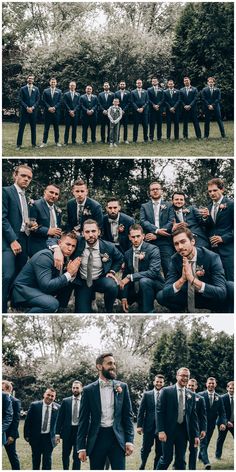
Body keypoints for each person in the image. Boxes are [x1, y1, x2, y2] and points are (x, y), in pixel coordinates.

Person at [77, 352, 134, 470]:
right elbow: (83, 420)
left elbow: (128, 416)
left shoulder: (122, 387)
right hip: (97, 439)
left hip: (117, 439)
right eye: (109, 363)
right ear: (99, 366)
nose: (113, 366)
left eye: (114, 363)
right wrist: (81, 447)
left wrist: (129, 441)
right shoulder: (88, 390)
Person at [157, 227, 229, 313]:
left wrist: (192, 279)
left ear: (192, 241)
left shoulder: (212, 257)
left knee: (231, 287)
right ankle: (179, 310)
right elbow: (166, 292)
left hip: (207, 296)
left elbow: (221, 293)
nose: (180, 247)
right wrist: (182, 279)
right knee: (160, 296)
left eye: (183, 242)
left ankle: (218, 311)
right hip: (186, 296)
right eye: (176, 244)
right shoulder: (175, 259)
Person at [12, 232, 81, 313]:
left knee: (69, 281)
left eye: (73, 246)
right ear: (59, 243)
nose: (70, 249)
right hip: (23, 291)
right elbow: (46, 286)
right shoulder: (45, 257)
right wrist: (69, 274)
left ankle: (60, 309)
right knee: (52, 304)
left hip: (39, 288)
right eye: (68, 244)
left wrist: (71, 275)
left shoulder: (64, 257)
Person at [2, 164, 38, 313]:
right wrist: (12, 240)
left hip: (25, 239)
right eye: (23, 175)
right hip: (8, 242)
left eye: (29, 177)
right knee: (7, 275)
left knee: (19, 276)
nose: (26, 179)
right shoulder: (5, 191)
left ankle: (14, 304)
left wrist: (31, 225)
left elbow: (22, 220)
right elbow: (2, 218)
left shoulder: (26, 197)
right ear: (15, 175)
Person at [156, 367, 199, 470]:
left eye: (187, 376)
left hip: (183, 431)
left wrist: (196, 435)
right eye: (182, 375)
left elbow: (193, 416)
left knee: (180, 460)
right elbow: (160, 412)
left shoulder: (191, 395)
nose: (185, 378)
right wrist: (161, 430)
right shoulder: (166, 391)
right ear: (177, 376)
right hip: (168, 431)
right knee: (166, 458)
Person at [120, 224, 164, 313]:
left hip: (154, 284)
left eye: (138, 236)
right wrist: (123, 297)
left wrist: (131, 277)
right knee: (116, 286)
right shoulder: (127, 253)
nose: (135, 239)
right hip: (136, 287)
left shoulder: (153, 249)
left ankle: (149, 310)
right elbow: (125, 276)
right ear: (129, 237)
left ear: (143, 236)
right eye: (133, 237)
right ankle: (134, 301)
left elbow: (153, 272)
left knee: (144, 281)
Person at [199, 178, 234, 281]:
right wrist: (205, 218)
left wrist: (223, 238)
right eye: (210, 191)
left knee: (230, 278)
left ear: (222, 190)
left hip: (228, 249)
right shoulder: (208, 207)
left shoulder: (231, 205)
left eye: (215, 190)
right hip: (213, 250)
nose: (212, 193)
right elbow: (209, 226)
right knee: (216, 279)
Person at [140, 181, 174, 277]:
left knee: (168, 267)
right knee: (149, 268)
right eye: (152, 189)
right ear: (149, 192)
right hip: (149, 241)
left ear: (161, 191)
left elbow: (171, 222)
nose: (155, 191)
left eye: (157, 189)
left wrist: (157, 235)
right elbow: (143, 221)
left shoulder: (169, 205)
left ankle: (170, 289)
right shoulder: (144, 206)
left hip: (165, 241)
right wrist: (156, 230)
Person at [24, 387, 60, 470]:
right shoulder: (34, 405)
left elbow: (59, 423)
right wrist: (26, 435)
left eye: (52, 396)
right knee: (36, 459)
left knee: (47, 461)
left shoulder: (58, 408)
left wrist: (58, 435)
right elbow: (28, 421)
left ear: (54, 397)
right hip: (36, 437)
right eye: (48, 395)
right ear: (44, 395)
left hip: (49, 438)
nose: (50, 397)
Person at [137, 374, 165, 470]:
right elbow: (141, 411)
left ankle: (155, 469)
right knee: (145, 449)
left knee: (160, 450)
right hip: (148, 426)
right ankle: (143, 464)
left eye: (160, 382)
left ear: (163, 383)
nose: (158, 383)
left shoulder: (166, 395)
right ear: (154, 382)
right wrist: (139, 425)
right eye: (157, 381)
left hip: (161, 428)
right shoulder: (147, 394)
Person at [198, 377, 226, 470]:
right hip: (200, 425)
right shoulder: (200, 395)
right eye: (209, 383)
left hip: (211, 425)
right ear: (206, 384)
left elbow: (222, 412)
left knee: (205, 443)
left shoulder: (219, 397)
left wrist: (222, 422)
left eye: (213, 383)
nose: (211, 385)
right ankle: (206, 463)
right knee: (203, 443)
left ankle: (200, 456)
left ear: (215, 385)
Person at [55, 381, 83, 470]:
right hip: (67, 431)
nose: (75, 389)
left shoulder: (85, 401)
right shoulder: (65, 401)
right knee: (65, 455)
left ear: (81, 389)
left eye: (77, 388)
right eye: (73, 387)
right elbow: (60, 418)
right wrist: (57, 433)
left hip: (79, 432)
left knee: (77, 456)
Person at [29, 184, 62, 256]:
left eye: (56, 194)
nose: (53, 196)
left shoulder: (58, 210)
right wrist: (48, 231)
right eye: (51, 192)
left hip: (55, 245)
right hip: (39, 245)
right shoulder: (35, 205)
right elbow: (31, 227)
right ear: (45, 192)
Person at [186, 378, 207, 470]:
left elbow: (203, 416)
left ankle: (192, 469)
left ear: (196, 386)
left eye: (192, 385)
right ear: (187, 385)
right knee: (179, 450)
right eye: (189, 385)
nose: (190, 387)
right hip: (183, 428)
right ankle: (177, 467)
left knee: (194, 450)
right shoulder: (181, 396)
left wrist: (203, 429)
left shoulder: (201, 399)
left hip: (195, 429)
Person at [16, 74, 40, 150]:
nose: (30, 80)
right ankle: (18, 144)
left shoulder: (36, 89)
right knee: (21, 128)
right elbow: (20, 100)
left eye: (32, 79)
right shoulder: (22, 89)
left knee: (33, 128)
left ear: (33, 80)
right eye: (29, 78)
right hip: (24, 111)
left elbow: (38, 100)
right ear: (27, 79)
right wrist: (27, 107)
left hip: (33, 111)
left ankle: (34, 144)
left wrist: (32, 108)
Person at [2, 380, 21, 470]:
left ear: (8, 389)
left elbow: (16, 420)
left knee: (12, 456)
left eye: (2, 389)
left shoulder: (15, 401)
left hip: (9, 434)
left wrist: (12, 435)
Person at [40, 77, 62, 147]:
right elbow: (43, 100)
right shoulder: (45, 91)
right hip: (47, 112)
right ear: (50, 83)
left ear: (56, 83)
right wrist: (49, 107)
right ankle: (44, 142)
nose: (53, 83)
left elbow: (60, 101)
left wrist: (54, 107)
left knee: (56, 128)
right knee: (46, 128)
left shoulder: (59, 91)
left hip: (56, 112)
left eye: (54, 82)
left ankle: (57, 142)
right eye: (52, 82)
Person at [215, 381, 234, 460]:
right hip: (223, 422)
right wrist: (226, 422)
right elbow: (219, 412)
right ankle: (218, 455)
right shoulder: (222, 398)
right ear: (227, 388)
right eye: (230, 388)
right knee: (221, 439)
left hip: (234, 423)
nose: (232, 390)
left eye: (234, 388)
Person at [63, 81, 80, 145]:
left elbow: (78, 104)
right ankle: (66, 141)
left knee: (74, 127)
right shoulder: (66, 94)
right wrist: (70, 111)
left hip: (75, 114)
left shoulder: (78, 94)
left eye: (73, 85)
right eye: (71, 85)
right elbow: (65, 103)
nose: (72, 86)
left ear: (75, 86)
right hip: (68, 113)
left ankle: (73, 141)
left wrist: (74, 111)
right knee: (67, 127)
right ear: (69, 86)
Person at [147, 77, 164, 142]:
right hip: (152, 109)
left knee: (159, 123)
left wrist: (158, 105)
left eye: (155, 81)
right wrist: (154, 105)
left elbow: (163, 99)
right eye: (153, 81)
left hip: (159, 109)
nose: (154, 82)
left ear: (157, 82)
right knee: (152, 123)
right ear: (152, 82)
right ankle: (151, 137)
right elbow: (148, 99)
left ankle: (159, 137)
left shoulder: (161, 90)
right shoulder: (149, 90)